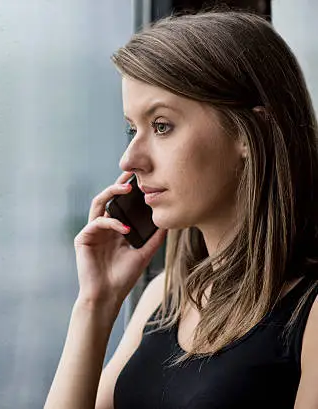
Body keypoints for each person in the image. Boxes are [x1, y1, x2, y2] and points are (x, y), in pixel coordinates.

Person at [45, 10, 318, 409]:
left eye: (161, 126)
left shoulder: (309, 314)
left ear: (249, 133)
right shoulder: (164, 297)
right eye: (131, 129)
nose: (129, 159)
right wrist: (95, 304)